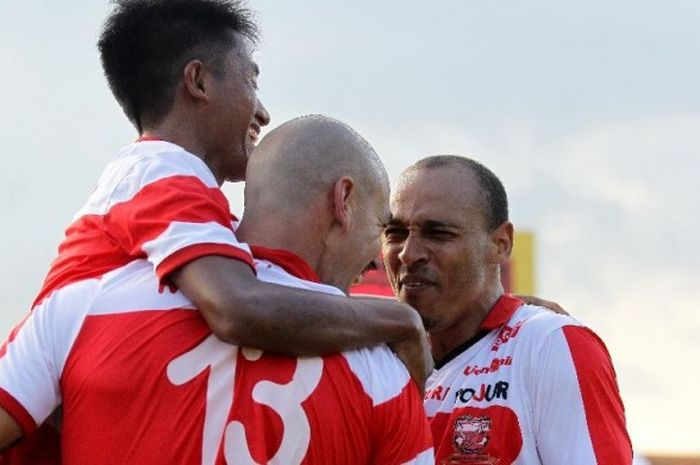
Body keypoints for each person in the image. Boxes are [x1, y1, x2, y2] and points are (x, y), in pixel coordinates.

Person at [0, 0, 429, 460]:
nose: (263, 112)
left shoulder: (197, 213)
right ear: (198, 81)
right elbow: (238, 308)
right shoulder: (160, 173)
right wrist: (399, 320)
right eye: (252, 81)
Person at [382, 155, 633, 464]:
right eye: (395, 233)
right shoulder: (369, 357)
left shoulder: (550, 345)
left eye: (439, 233)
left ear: (501, 244)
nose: (409, 253)